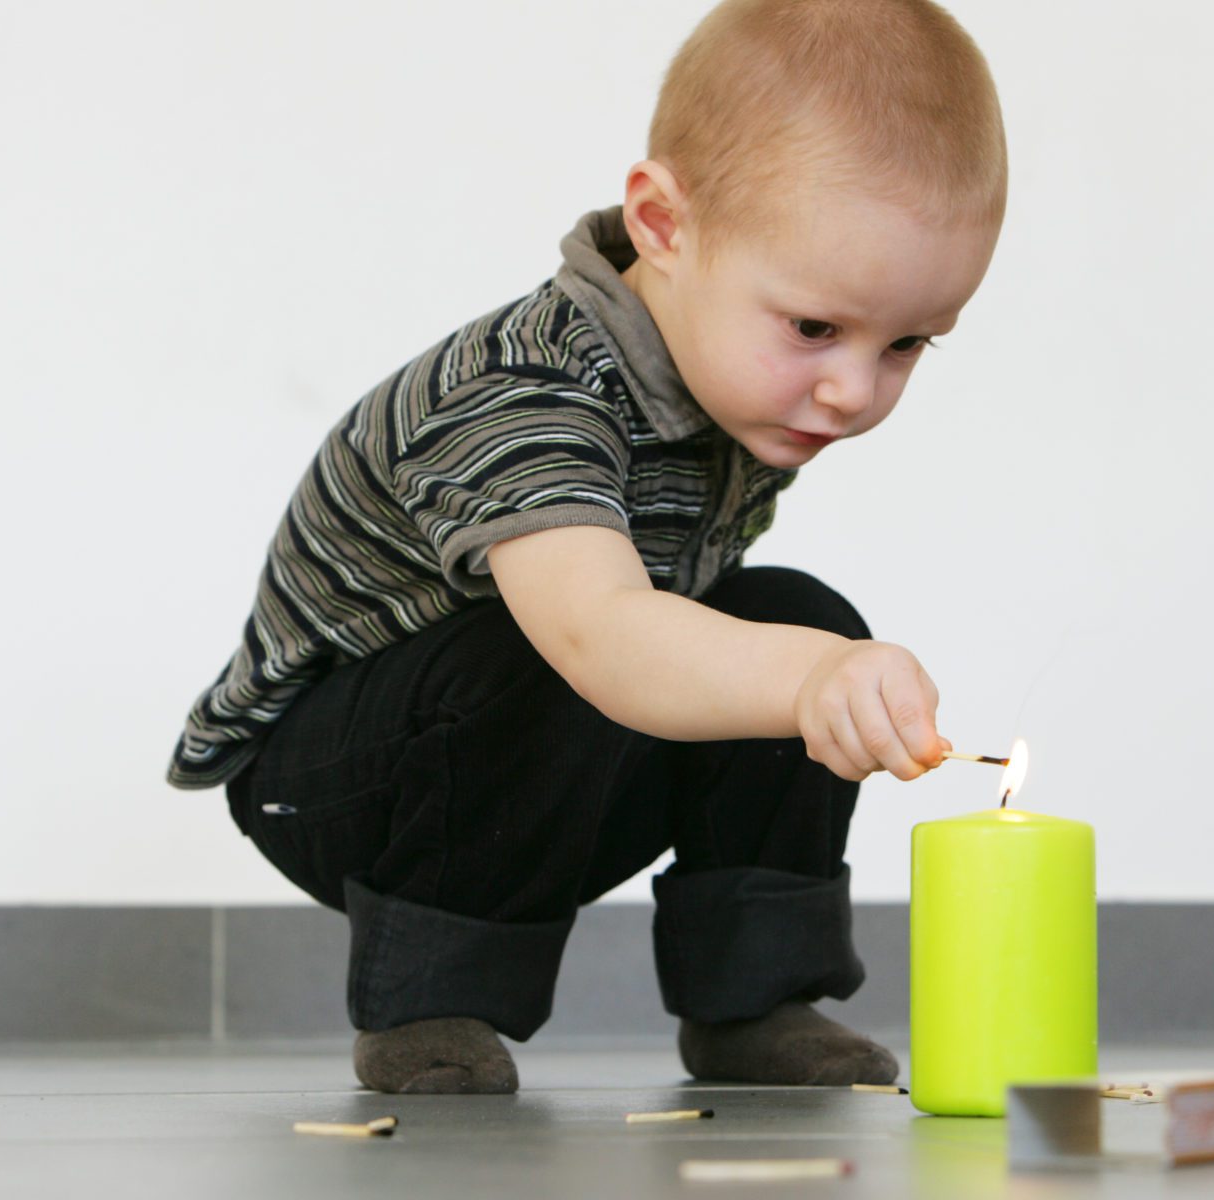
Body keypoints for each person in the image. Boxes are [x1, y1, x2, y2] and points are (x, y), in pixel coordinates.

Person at [166, 0, 1006, 1095]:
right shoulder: (531, 394)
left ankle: (752, 999)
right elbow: (599, 635)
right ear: (660, 224)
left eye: (904, 344)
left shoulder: (728, 382)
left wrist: (811, 658)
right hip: (337, 786)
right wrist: (812, 680)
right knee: (574, 644)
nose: (853, 390)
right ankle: (430, 999)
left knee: (792, 616)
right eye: (812, 328)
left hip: (534, 756)